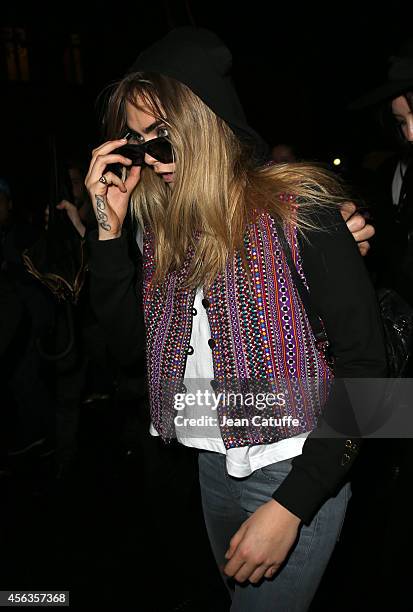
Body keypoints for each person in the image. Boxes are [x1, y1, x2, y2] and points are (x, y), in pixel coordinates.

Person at [85, 27, 386, 611]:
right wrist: (107, 232)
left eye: (163, 139)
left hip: (298, 467)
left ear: (206, 122)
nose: (150, 160)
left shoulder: (299, 210)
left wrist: (295, 503)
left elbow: (371, 375)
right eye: (137, 143)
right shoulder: (166, 231)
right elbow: (127, 353)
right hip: (213, 466)